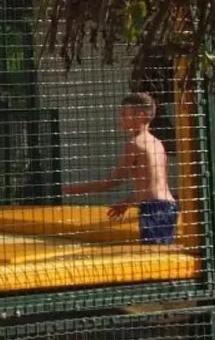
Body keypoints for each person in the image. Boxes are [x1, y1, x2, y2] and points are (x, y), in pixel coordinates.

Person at [65, 91, 178, 244]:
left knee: (153, 254)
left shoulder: (134, 144)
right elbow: (152, 184)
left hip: (153, 207)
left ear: (141, 116)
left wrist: (77, 189)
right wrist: (127, 202)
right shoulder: (157, 143)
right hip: (168, 205)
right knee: (161, 253)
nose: (121, 118)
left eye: (125, 114)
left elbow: (114, 180)